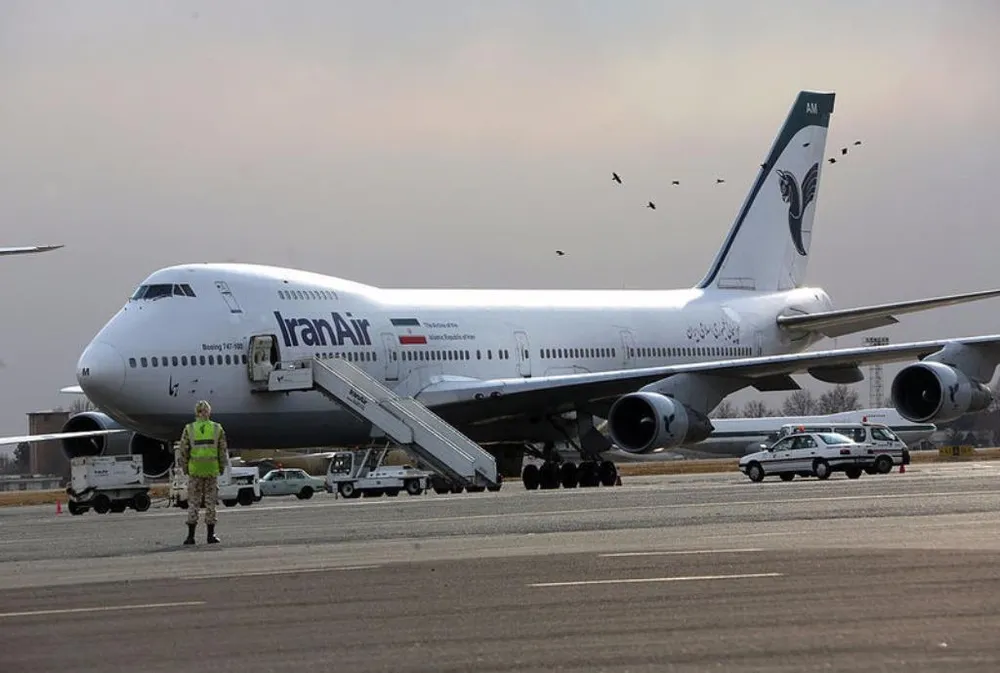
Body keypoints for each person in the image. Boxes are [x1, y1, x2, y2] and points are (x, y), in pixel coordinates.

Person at [178, 400, 229, 545]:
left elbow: (183, 451)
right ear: (209, 412)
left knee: (193, 503)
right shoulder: (216, 428)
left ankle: (190, 537)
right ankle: (210, 535)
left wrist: (186, 468)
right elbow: (222, 450)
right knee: (210, 503)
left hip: (195, 471)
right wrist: (221, 467)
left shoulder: (189, 429)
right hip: (211, 470)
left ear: (196, 413)